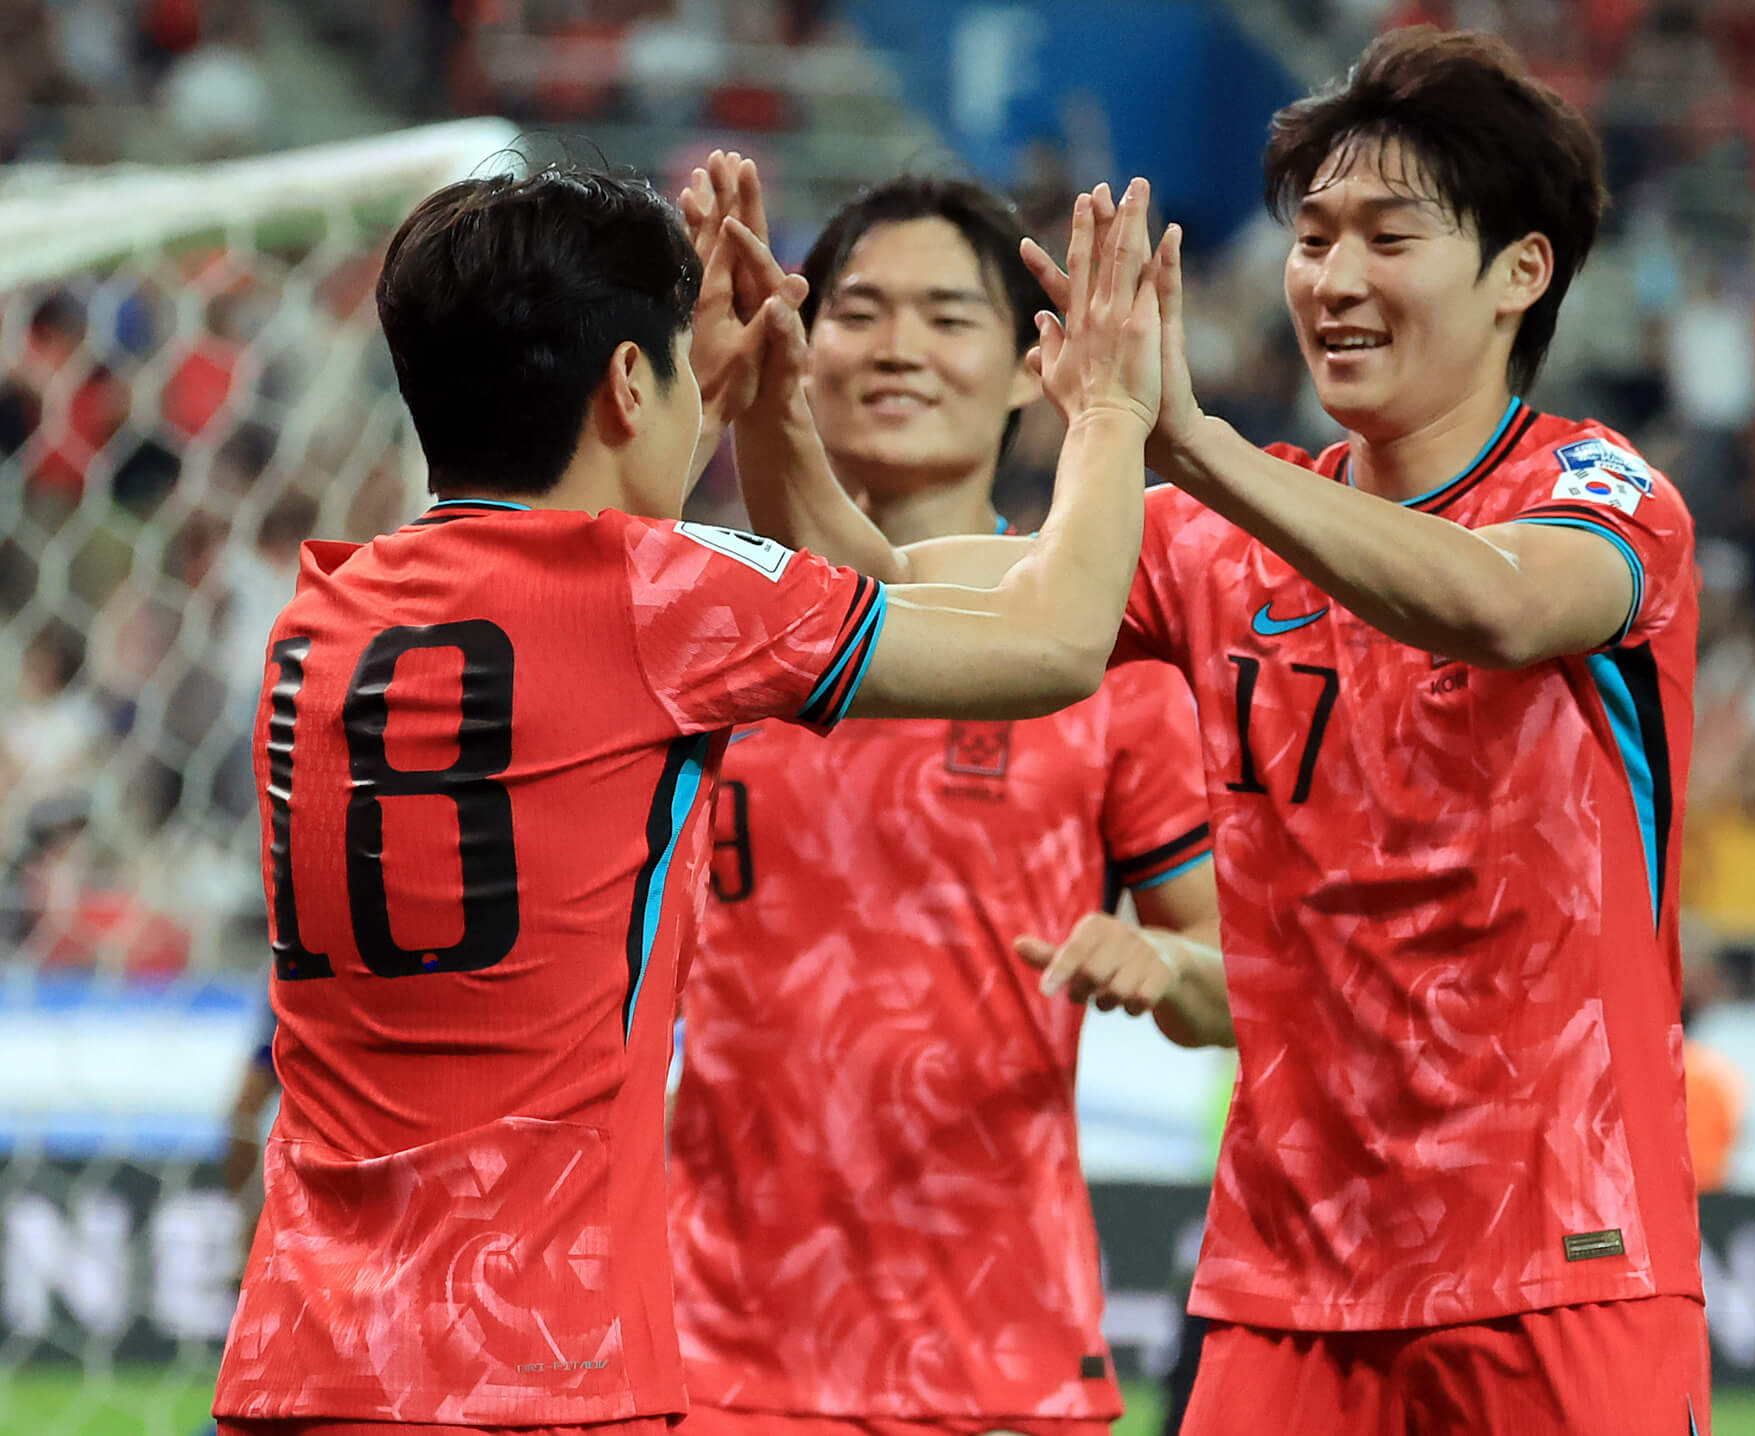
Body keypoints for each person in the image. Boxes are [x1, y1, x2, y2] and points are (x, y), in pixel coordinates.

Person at [728, 28, 1708, 1435]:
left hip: (1566, 1253)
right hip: (1285, 1290)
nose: (1334, 278)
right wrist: (772, 404)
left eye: (1388, 234)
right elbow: (876, 587)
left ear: (1520, 272)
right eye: (1311, 237)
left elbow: (1494, 607)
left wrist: (1187, 447)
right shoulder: (1202, 544)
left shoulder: (1604, 495)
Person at [210, 162, 1167, 1436]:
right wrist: (1109, 408)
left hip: (305, 1356)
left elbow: (576, 533)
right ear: (624, 387)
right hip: (540, 1365)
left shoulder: (322, 610)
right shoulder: (662, 601)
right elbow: (1052, 643)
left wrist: (684, 381)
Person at [663, 163, 1232, 1436]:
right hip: (702, 1363)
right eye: (858, 309)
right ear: (799, 335)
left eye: (946, 313)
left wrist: (1163, 960)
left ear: (1035, 364)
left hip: (1000, 1368)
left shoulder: (1112, 666)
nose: (898, 347)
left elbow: (1245, 984)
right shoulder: (694, 631)